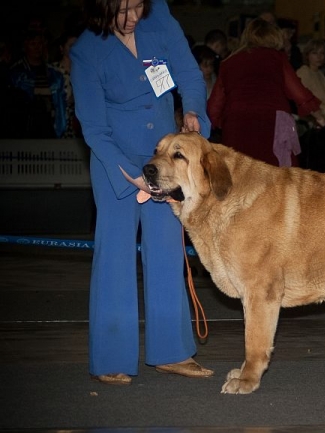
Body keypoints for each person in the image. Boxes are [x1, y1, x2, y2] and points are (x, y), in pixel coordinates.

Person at [70, 0, 213, 385]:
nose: (133, 17)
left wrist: (193, 111)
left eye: (137, 6)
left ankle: (172, 352)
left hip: (165, 157)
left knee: (167, 248)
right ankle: (111, 357)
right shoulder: (85, 50)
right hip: (114, 161)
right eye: (122, 10)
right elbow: (94, 129)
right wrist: (134, 178)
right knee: (114, 253)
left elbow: (188, 74)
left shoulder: (160, 17)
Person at [208, 18, 325, 167]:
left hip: (236, 124)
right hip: (273, 122)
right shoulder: (276, 58)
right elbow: (299, 94)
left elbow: (214, 106)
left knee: (239, 179)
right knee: (280, 179)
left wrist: (211, 126)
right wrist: (321, 119)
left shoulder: (228, 62)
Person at [9, 20, 66, 138]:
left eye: (39, 43)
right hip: (23, 131)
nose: (37, 48)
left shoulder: (53, 73)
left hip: (50, 130)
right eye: (32, 44)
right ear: (25, 46)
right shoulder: (16, 74)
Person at [50, 29, 82, 138]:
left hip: (78, 123)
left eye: (77, 45)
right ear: (61, 48)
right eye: (71, 45)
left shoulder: (83, 71)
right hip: (58, 121)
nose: (75, 49)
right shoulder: (52, 70)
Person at [296, 38, 325, 121]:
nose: (319, 57)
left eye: (322, 53)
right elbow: (303, 102)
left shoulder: (320, 74)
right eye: (315, 53)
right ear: (307, 55)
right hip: (314, 120)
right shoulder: (304, 72)